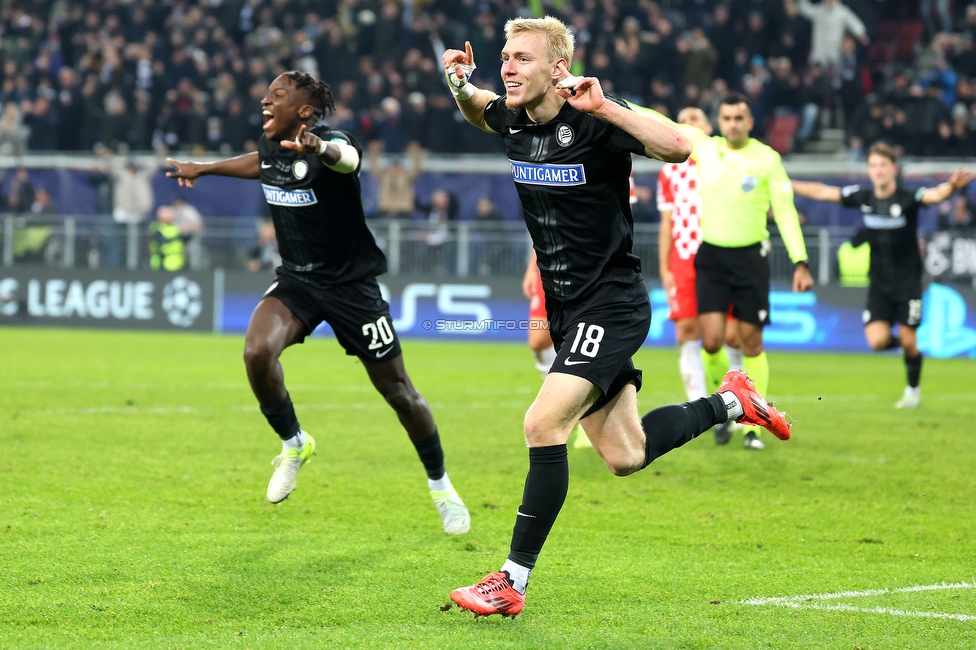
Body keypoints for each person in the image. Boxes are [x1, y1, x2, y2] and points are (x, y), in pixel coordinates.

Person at [441, 17, 792, 618]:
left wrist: (608, 108)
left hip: (612, 303)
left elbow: (682, 146)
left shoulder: (595, 119)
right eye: (505, 57)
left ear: (558, 69)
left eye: (522, 58)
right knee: (625, 455)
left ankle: (512, 581)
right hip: (568, 309)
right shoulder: (515, 117)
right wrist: (457, 84)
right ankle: (733, 402)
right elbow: (481, 108)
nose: (508, 67)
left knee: (542, 423)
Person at [165, 71, 470, 535]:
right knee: (255, 353)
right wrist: (203, 168)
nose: (265, 100)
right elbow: (260, 163)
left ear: (305, 110)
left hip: (353, 288)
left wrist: (321, 149)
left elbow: (350, 160)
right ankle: (294, 442)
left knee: (400, 393)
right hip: (297, 283)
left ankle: (441, 486)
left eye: (278, 95)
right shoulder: (271, 144)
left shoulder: (329, 142)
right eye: (266, 93)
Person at [638, 94, 815, 451]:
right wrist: (603, 99)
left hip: (752, 260)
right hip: (712, 258)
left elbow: (784, 211)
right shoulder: (706, 148)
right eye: (727, 118)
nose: (733, 123)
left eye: (739, 117)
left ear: (750, 122)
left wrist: (800, 260)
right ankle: (728, 407)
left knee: (749, 341)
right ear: (719, 121)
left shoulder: (767, 159)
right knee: (714, 340)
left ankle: (754, 426)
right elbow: (657, 119)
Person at [791, 141, 974, 409]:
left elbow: (935, 196)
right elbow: (823, 192)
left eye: (883, 165)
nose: (878, 171)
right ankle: (909, 346)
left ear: (893, 169)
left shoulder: (908, 197)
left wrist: (952, 187)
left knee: (910, 341)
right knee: (877, 341)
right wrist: (787, 184)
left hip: (908, 283)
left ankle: (912, 389)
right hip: (879, 284)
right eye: (873, 165)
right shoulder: (864, 198)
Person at [655, 107, 744, 446]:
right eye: (682, 119)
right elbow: (667, 223)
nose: (688, 124)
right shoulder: (669, 169)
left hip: (723, 254)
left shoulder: (724, 160)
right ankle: (697, 407)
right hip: (684, 258)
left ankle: (738, 400)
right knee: (687, 330)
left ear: (709, 128)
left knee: (730, 335)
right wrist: (665, 266)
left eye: (695, 119)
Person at [148, 205, 190, 271]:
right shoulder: (156, 227)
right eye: (166, 214)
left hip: (179, 263)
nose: (169, 216)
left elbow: (185, 239)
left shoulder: (175, 226)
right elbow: (161, 240)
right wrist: (178, 235)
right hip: (162, 264)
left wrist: (187, 231)